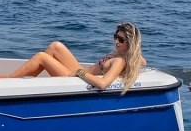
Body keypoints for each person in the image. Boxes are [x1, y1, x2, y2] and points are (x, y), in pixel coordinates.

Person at [9, 22, 146, 93]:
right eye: (116, 37)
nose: (116, 42)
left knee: (41, 57)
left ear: (130, 43)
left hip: (77, 80)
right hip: (79, 72)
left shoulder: (120, 61)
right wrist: (127, 52)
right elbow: (141, 60)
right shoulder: (122, 54)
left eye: (121, 40)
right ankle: (24, 83)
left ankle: (7, 83)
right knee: (55, 46)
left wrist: (79, 72)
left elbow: (103, 84)